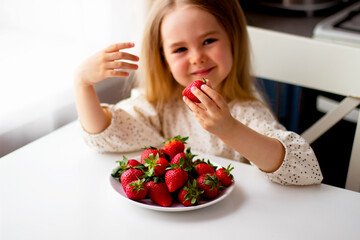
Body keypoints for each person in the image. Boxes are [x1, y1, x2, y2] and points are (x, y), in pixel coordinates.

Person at [74, 0, 323, 185]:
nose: (197, 57)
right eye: (180, 49)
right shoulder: (158, 106)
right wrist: (82, 84)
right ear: (163, 59)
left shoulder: (244, 112)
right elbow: (106, 135)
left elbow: (304, 168)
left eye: (208, 41)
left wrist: (230, 129)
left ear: (233, 39)